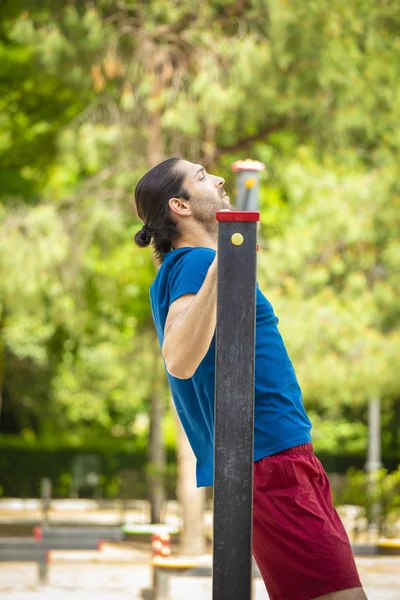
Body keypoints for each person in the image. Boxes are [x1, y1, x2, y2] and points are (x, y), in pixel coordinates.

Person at [134, 157, 367, 600]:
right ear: (179, 206)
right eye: (202, 176)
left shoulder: (193, 265)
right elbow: (180, 357)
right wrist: (226, 264)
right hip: (271, 461)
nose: (218, 178)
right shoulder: (195, 262)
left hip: (279, 457)